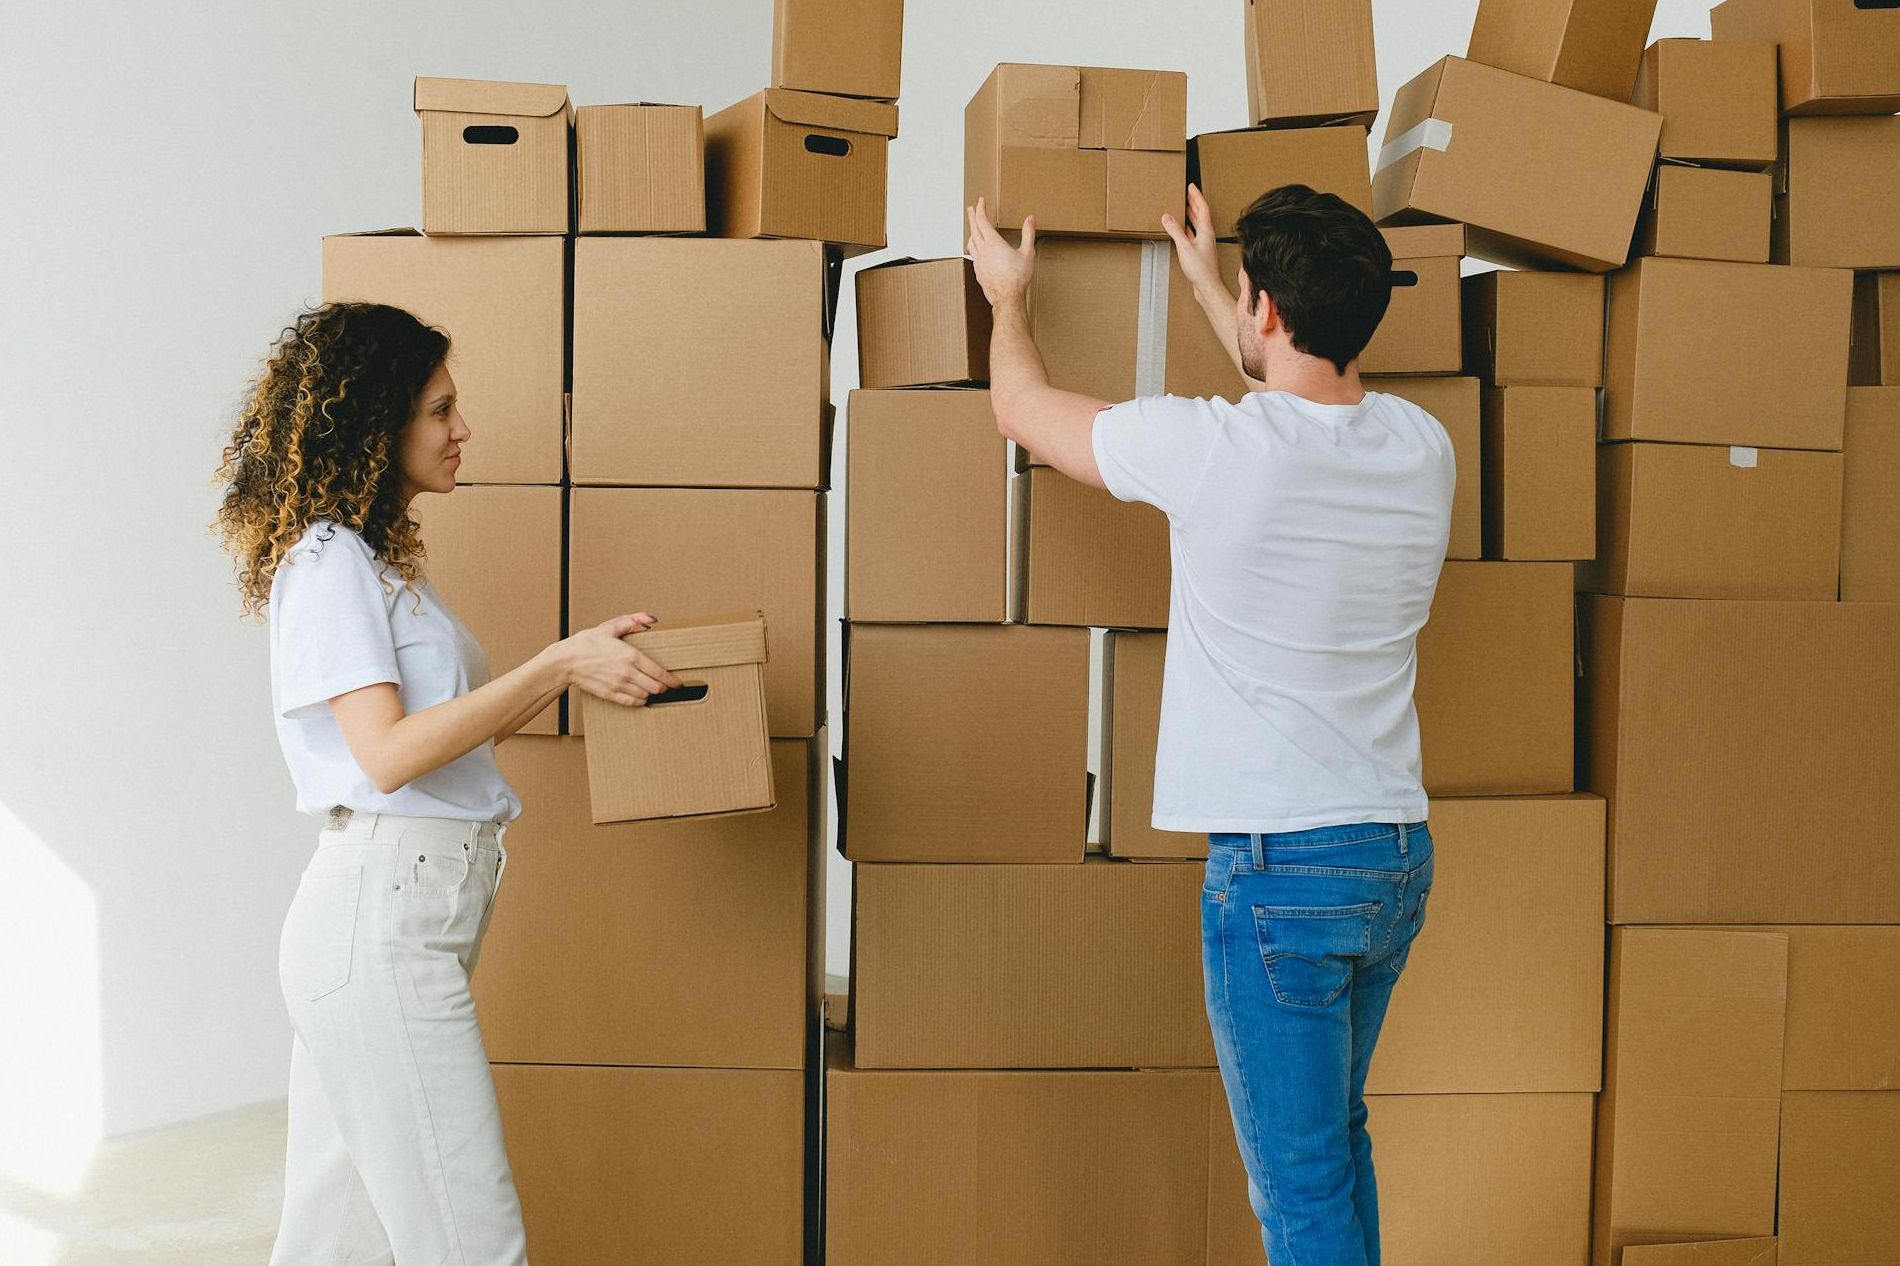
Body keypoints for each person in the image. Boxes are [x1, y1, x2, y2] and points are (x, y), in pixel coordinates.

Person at [964, 183, 1452, 1266]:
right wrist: (1211, 290)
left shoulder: (1210, 451)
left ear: (1267, 310)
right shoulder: (1422, 448)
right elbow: (1295, 398)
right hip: (1391, 858)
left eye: (1247, 298)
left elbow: (1021, 412)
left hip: (1283, 875)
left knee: (1298, 1192)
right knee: (1332, 1150)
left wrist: (1007, 297)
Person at [213, 301, 680, 1265]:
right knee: (469, 1236)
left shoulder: (380, 566)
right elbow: (385, 755)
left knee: (336, 1242)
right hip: (379, 921)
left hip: (409, 910)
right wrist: (553, 666)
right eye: (439, 410)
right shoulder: (328, 561)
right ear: (374, 421)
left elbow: (439, 742)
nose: (462, 430)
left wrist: (588, 672)